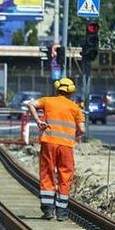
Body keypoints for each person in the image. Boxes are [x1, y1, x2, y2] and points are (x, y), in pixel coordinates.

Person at [27, 77, 86, 220]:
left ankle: (48, 210)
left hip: (49, 142)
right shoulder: (75, 107)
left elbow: (31, 104)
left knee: (47, 173)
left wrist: (38, 120)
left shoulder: (48, 101)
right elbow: (82, 129)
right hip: (66, 145)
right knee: (65, 175)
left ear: (57, 89)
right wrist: (73, 135)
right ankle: (61, 212)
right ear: (71, 92)